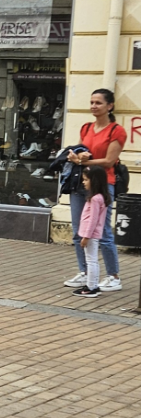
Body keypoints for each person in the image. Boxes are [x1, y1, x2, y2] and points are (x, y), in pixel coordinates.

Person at [64, 89, 125, 292]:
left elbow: (109, 161)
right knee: (77, 230)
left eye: (98, 102)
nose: (93, 106)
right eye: (91, 102)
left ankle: (113, 276)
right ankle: (85, 272)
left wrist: (84, 160)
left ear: (110, 106)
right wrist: (76, 156)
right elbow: (83, 151)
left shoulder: (116, 130)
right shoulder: (86, 127)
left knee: (103, 231)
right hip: (82, 181)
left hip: (103, 183)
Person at [73, 166, 112, 298]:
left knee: (91, 260)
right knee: (92, 260)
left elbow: (93, 220)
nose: (83, 182)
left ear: (94, 181)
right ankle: (92, 284)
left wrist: (86, 236)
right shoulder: (101, 197)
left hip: (90, 235)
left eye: (86, 180)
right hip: (91, 234)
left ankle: (91, 287)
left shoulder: (95, 199)